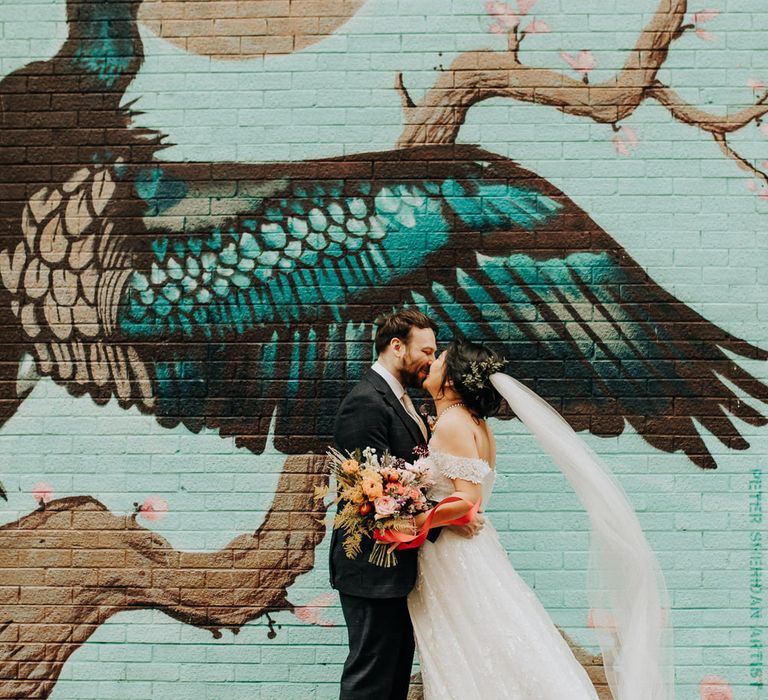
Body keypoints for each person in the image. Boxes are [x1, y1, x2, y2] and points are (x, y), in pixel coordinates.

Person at [407, 337, 675, 700]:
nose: (433, 361)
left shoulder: (453, 423)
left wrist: (416, 518)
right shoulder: (476, 424)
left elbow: (467, 501)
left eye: (440, 359)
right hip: (471, 551)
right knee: (495, 640)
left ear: (451, 380)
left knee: (472, 646)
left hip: (455, 557)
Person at [330, 309, 486, 700]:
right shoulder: (366, 401)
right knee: (371, 679)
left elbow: (407, 483)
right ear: (397, 346)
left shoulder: (403, 401)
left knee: (393, 677)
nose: (432, 362)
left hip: (398, 568)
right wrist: (444, 520)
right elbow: (371, 494)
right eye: (427, 351)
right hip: (371, 570)